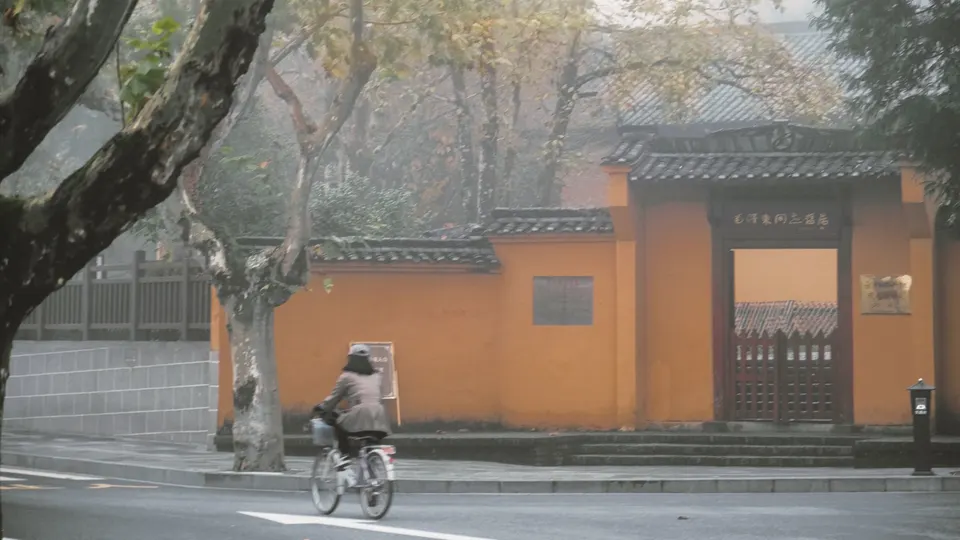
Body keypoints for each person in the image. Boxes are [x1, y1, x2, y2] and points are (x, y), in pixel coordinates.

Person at [313, 344, 392, 469]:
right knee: (371, 442)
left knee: (338, 424)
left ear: (350, 359)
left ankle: (345, 458)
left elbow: (335, 398)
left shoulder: (346, 376)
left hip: (360, 413)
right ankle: (372, 463)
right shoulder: (377, 376)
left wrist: (322, 407)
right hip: (379, 416)